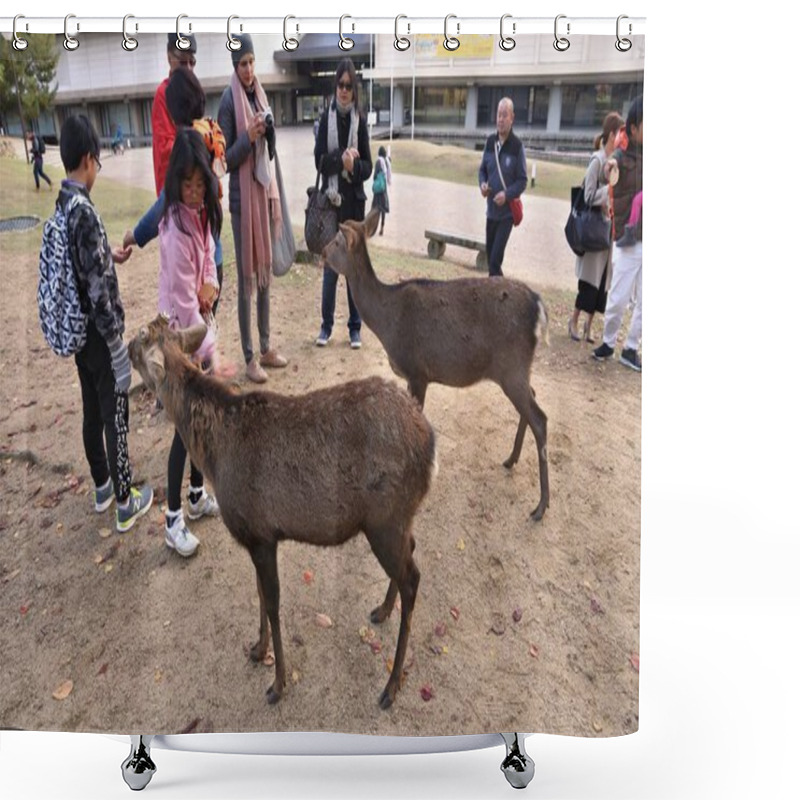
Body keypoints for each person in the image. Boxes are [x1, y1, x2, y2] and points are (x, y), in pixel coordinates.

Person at [54, 114, 153, 532]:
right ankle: (126, 500)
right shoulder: (86, 212)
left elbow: (82, 262)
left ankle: (102, 486)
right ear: (90, 159)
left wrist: (106, 255)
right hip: (99, 332)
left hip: (79, 334)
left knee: (92, 409)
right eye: (98, 162)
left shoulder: (63, 203)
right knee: (116, 411)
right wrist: (116, 341)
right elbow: (97, 289)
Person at [157, 129, 223, 557]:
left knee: (199, 424)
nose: (196, 192)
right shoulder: (173, 229)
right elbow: (182, 305)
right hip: (181, 346)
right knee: (184, 432)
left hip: (198, 332)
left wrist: (212, 284)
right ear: (175, 183)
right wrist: (204, 357)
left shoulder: (198, 216)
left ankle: (197, 496)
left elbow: (210, 261)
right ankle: (172, 518)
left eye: (202, 185)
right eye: (188, 185)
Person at [124, 67, 226, 317]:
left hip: (195, 264)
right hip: (215, 258)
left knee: (193, 335)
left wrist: (134, 236)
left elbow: (163, 203)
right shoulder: (211, 131)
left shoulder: (187, 146)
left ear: (172, 108)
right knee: (206, 327)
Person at [218, 33, 287, 383]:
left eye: (251, 62)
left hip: (263, 195)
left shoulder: (259, 93)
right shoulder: (228, 102)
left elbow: (270, 154)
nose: (248, 69)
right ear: (235, 65)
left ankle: (265, 346)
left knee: (264, 275)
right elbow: (224, 160)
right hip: (242, 203)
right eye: (242, 63)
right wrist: (250, 136)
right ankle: (248, 358)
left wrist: (268, 133)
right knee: (247, 278)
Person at [313, 58, 372, 349]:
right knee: (330, 270)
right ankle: (326, 326)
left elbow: (368, 168)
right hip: (331, 207)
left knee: (353, 271)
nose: (345, 90)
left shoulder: (360, 121)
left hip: (354, 207)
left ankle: (355, 327)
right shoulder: (327, 119)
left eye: (349, 85)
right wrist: (342, 161)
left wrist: (354, 167)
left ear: (354, 89)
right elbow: (319, 161)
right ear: (335, 86)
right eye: (341, 85)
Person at [593, 95, 643, 372]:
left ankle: (631, 348)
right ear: (633, 129)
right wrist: (609, 166)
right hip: (627, 240)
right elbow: (608, 167)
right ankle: (608, 342)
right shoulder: (622, 156)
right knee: (619, 298)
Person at [568, 112, 625, 344]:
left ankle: (589, 327)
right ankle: (573, 321)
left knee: (602, 285)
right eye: (620, 133)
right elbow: (588, 195)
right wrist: (608, 193)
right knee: (589, 283)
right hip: (593, 233)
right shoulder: (597, 161)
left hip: (608, 233)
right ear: (612, 134)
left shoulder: (616, 163)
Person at [478, 98, 527, 277]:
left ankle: (497, 300)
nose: (500, 119)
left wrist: (506, 195)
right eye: (498, 115)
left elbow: (522, 181)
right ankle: (502, 294)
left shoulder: (517, 147)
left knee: (494, 262)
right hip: (490, 212)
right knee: (491, 260)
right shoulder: (490, 142)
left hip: (506, 215)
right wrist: (482, 185)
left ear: (512, 118)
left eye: (504, 115)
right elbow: (482, 170)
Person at [152, 33, 197, 197]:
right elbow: (166, 150)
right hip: (174, 192)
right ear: (169, 57)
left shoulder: (194, 91)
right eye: (183, 62)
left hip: (196, 190)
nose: (189, 69)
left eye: (192, 62)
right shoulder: (163, 94)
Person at [371, 145, 392, 235]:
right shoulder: (387, 162)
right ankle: (382, 227)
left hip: (378, 189)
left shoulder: (378, 162)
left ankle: (373, 228)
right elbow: (389, 158)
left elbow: (375, 176)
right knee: (383, 209)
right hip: (384, 189)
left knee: (375, 209)